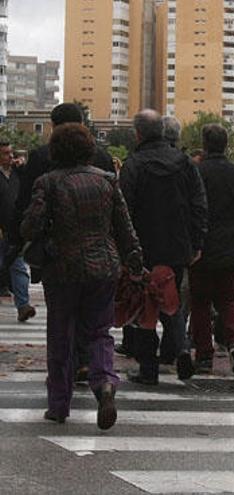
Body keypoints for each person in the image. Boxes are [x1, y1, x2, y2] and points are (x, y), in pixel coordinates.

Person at [21, 122, 143, 430]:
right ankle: (104, 382)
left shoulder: (47, 182)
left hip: (63, 268)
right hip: (104, 266)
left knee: (61, 333)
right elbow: (124, 227)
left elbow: (30, 227)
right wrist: (134, 258)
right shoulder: (107, 181)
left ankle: (59, 404)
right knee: (100, 331)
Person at [9, 102, 117, 379]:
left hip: (56, 251)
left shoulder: (41, 158)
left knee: (61, 313)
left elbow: (26, 206)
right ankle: (87, 363)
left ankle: (63, 377)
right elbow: (118, 209)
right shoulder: (102, 159)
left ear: (54, 126)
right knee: (92, 316)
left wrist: (18, 237)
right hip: (98, 249)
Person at [119, 109, 208, 384]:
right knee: (171, 300)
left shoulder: (133, 164)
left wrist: (124, 248)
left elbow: (123, 210)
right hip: (177, 246)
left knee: (146, 303)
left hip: (143, 246)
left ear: (138, 133)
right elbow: (199, 204)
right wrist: (197, 242)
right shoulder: (184, 162)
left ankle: (148, 368)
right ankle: (179, 347)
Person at [189, 124, 234, 374]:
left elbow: (191, 210)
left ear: (205, 144)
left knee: (201, 302)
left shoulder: (197, 171)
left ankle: (204, 353)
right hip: (231, 247)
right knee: (229, 299)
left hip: (202, 248)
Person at [0, 141, 35, 322]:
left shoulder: (17, 174)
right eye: (5, 153)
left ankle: (23, 305)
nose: (10, 157)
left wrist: (23, 168)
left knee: (18, 266)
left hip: (14, 230)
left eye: (11, 153)